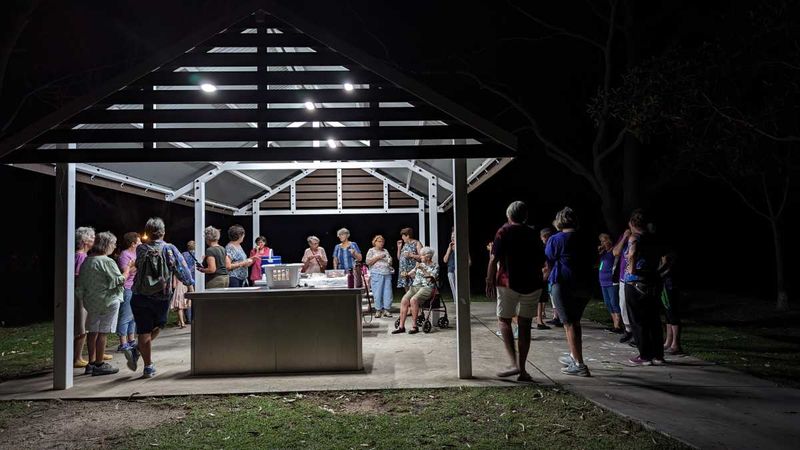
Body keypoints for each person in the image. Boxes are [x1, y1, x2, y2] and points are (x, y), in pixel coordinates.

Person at [125, 217, 194, 378]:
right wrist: (190, 285)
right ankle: (140, 356)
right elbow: (181, 269)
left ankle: (144, 361)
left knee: (143, 331)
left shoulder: (141, 249)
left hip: (140, 295)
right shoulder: (169, 248)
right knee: (158, 326)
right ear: (163, 232)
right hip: (162, 297)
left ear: (148, 233)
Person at [485, 201, 543, 382]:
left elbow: (494, 259)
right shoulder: (534, 233)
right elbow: (542, 259)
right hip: (533, 283)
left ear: (509, 216)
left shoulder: (504, 231)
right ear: (525, 216)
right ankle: (523, 370)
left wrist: (489, 279)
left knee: (504, 320)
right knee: (525, 325)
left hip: (507, 281)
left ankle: (513, 363)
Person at [77, 232, 131, 376]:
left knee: (92, 331)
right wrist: (127, 270)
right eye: (113, 244)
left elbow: (81, 283)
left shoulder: (87, 261)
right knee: (103, 332)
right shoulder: (107, 261)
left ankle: (91, 362)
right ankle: (100, 363)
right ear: (107, 245)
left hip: (91, 301)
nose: (114, 247)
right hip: (108, 300)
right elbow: (119, 280)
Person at [547, 207, 591, 377]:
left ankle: (579, 364)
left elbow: (549, 258)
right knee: (576, 321)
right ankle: (574, 355)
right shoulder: (585, 238)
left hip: (564, 283)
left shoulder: (556, 239)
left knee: (568, 323)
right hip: (585, 284)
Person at [624, 209, 666, 366]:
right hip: (653, 280)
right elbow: (666, 259)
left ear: (633, 223)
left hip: (635, 282)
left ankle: (645, 355)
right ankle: (658, 355)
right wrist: (657, 272)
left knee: (638, 319)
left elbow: (633, 253)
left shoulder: (635, 237)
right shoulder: (654, 239)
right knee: (654, 319)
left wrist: (632, 269)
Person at [392, 247, 438, 335]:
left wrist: (423, 269)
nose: (420, 257)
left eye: (422, 256)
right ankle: (401, 326)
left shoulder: (435, 266)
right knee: (404, 300)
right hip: (415, 286)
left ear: (428, 257)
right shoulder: (420, 264)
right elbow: (410, 273)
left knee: (413, 300)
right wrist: (405, 274)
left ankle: (414, 326)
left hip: (427, 287)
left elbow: (431, 279)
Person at [73, 226, 98, 368]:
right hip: (81, 296)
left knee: (83, 327)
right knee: (82, 327)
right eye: (92, 238)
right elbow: (79, 276)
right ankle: (77, 357)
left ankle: (79, 356)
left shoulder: (79, 256)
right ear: (85, 241)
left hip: (81, 294)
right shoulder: (81, 257)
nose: (94, 240)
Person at [115, 232, 140, 351]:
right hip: (128, 287)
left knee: (134, 316)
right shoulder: (124, 255)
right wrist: (137, 265)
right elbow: (127, 272)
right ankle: (123, 343)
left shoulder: (137, 253)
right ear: (133, 243)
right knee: (126, 315)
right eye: (139, 241)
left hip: (136, 287)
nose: (141, 243)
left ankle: (131, 340)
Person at [613, 228, 634, 344]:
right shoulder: (624, 237)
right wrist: (625, 237)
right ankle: (628, 330)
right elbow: (615, 252)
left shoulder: (637, 239)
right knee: (623, 305)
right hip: (623, 277)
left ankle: (636, 333)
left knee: (633, 306)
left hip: (633, 278)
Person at [598, 233, 623, 333]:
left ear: (609, 240)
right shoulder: (603, 253)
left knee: (614, 302)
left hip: (612, 281)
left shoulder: (614, 250)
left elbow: (617, 255)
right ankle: (615, 325)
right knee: (608, 303)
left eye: (604, 240)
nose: (602, 243)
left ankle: (619, 326)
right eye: (601, 241)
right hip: (603, 282)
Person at [660, 251, 683, 355]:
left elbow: (665, 271)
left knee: (673, 315)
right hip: (664, 288)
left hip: (671, 288)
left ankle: (676, 344)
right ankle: (668, 341)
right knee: (667, 316)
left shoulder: (672, 261)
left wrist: (663, 265)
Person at [366, 235, 393, 318]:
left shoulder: (385, 250)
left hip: (387, 273)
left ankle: (387, 310)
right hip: (376, 273)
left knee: (388, 292)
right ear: (375, 242)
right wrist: (378, 257)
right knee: (377, 292)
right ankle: (378, 310)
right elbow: (368, 262)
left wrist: (390, 261)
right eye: (379, 241)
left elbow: (390, 262)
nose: (381, 243)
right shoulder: (371, 251)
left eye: (382, 241)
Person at [537, 227, 555, 330]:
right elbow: (547, 264)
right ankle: (539, 320)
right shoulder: (546, 247)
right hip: (542, 275)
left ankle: (538, 320)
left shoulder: (547, 246)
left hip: (543, 274)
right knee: (539, 299)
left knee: (540, 299)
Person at [181, 241, 198, 323]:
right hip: (197, 277)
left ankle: (189, 317)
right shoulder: (198, 253)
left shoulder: (184, 254)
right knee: (196, 297)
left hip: (187, 278)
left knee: (189, 297)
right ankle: (196, 315)